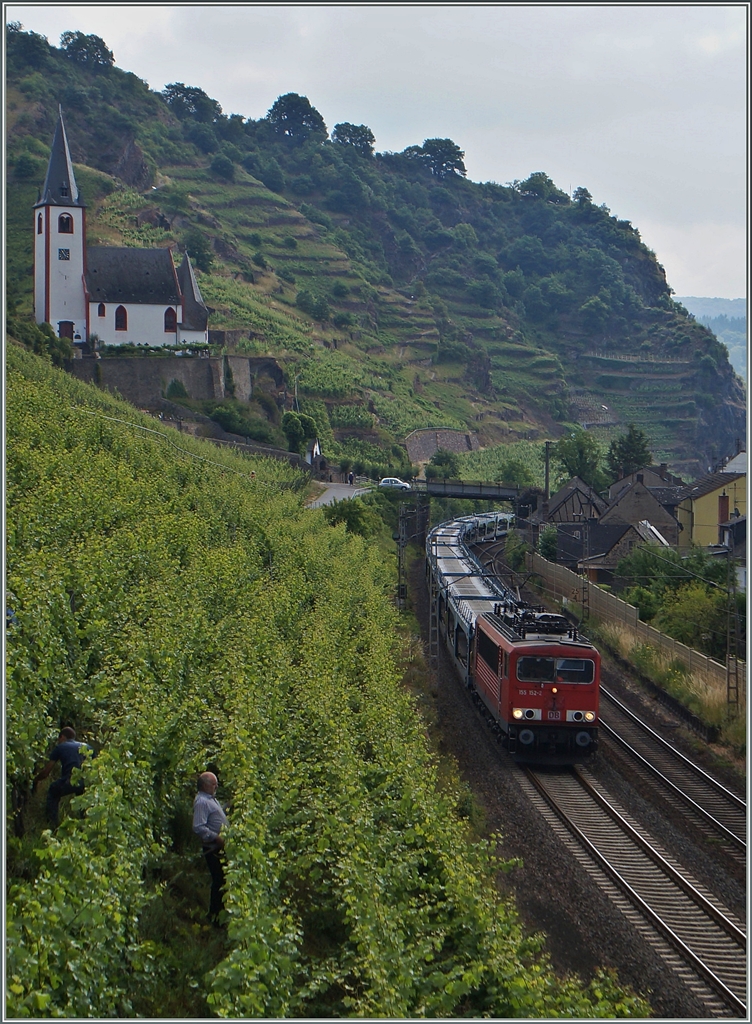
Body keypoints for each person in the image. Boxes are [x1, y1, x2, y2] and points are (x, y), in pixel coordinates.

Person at [34, 726, 89, 828]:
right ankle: (85, 826)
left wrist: (36, 779)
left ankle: (52, 824)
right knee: (83, 799)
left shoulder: (60, 747)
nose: (58, 741)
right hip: (86, 781)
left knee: (53, 791)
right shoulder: (87, 746)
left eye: (59, 739)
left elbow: (46, 772)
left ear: (62, 737)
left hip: (69, 780)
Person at [193, 771, 228, 924]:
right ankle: (214, 916)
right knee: (219, 880)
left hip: (218, 847)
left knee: (222, 880)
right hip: (213, 848)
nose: (216, 787)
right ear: (206, 785)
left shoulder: (210, 800)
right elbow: (198, 826)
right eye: (214, 784)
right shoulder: (202, 801)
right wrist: (216, 837)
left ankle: (219, 915)